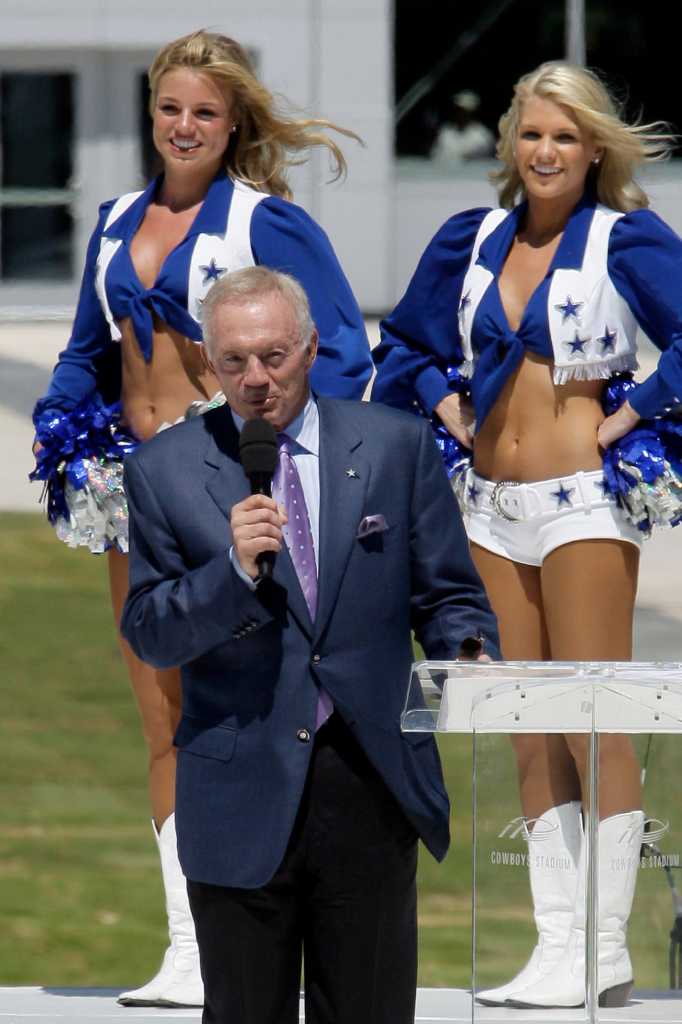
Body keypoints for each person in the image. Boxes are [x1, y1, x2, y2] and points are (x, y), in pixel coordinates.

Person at [30, 29, 373, 1008]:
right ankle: (188, 947)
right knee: (161, 718)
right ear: (153, 112)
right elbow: (86, 348)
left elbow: (340, 351)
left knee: (244, 720)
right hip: (128, 492)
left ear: (233, 126)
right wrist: (59, 413)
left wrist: (278, 448)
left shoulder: (267, 222)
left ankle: (258, 940)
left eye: (206, 114)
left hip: (226, 487)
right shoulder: (112, 220)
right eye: (172, 108)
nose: (185, 127)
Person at [372, 61, 682, 1009]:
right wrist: (443, 400)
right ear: (512, 142)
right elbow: (410, 348)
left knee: (598, 719)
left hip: (583, 503)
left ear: (595, 149)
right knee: (526, 727)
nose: (545, 151)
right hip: (489, 510)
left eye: (564, 135)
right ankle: (557, 946)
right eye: (531, 133)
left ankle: (607, 946)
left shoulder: (624, 242)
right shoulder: (470, 241)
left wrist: (642, 411)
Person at [119, 265, 500, 1024]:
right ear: (207, 362)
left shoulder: (395, 447)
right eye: (234, 362)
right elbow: (152, 631)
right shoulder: (164, 472)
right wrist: (231, 572)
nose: (256, 379)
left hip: (371, 781)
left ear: (313, 347)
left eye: (273, 356)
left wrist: (469, 651)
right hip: (239, 792)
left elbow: (449, 593)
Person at [431, 89, 495, 165]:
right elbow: (434, 156)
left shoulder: (483, 136)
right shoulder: (445, 132)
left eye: (463, 110)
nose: (459, 114)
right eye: (457, 110)